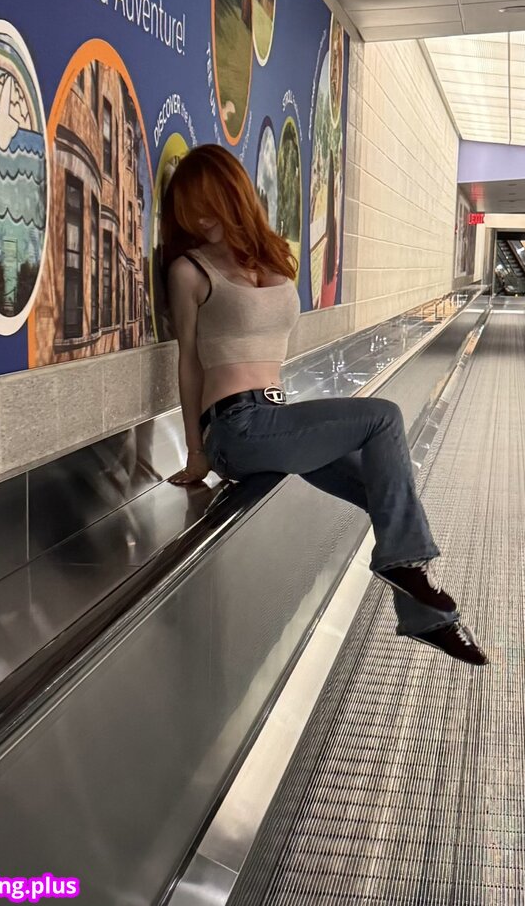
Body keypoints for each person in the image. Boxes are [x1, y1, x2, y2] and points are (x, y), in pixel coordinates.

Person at [162, 144, 487, 666]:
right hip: (235, 430)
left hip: (275, 417)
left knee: (383, 491)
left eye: (207, 205)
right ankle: (406, 569)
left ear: (232, 197)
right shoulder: (190, 270)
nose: (198, 219)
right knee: (383, 417)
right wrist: (196, 453)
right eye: (189, 210)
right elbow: (188, 364)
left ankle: (428, 621)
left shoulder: (270, 261)